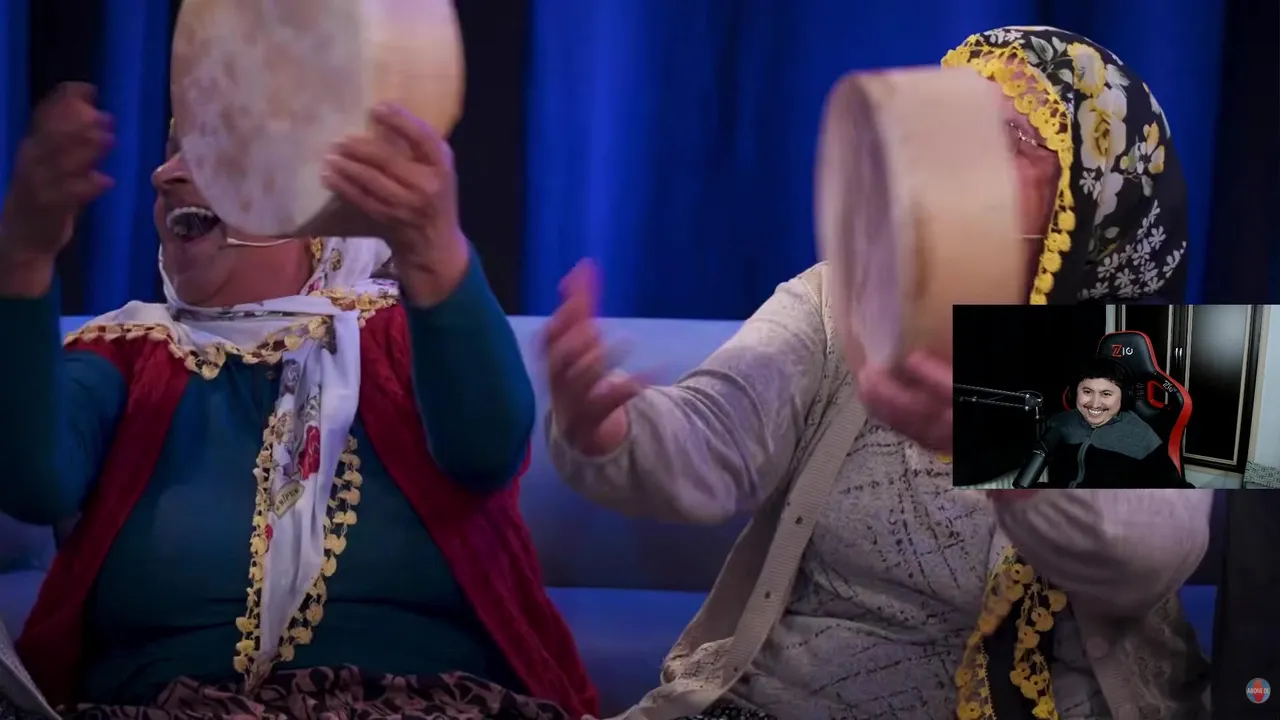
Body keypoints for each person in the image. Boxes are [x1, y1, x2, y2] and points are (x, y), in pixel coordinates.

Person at [543, 27, 1209, 720]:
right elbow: (712, 437)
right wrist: (611, 429)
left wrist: (1000, 441)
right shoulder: (842, 296)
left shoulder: (1158, 353)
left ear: (1094, 194)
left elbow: (1145, 561)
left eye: (1010, 140)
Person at [0, 83, 596, 719]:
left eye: (215, 153)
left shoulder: (406, 332)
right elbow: (33, 483)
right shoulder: (127, 354)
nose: (165, 174)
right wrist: (25, 258)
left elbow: (487, 447)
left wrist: (432, 251)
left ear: (319, 205)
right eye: (171, 152)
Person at [1039, 357, 1190, 489]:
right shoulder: (1058, 423)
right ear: (1074, 393)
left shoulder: (1142, 436)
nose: (1095, 404)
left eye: (1106, 394)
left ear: (1123, 397)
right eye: (1087, 392)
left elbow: (1175, 490)